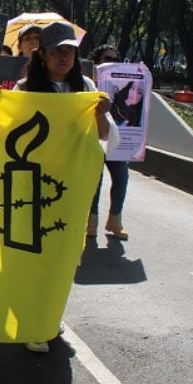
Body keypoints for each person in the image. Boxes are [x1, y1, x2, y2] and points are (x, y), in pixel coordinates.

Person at [13, 21, 117, 354]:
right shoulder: (25, 89)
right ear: (42, 54)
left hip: (70, 187)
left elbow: (105, 136)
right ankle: (32, 321)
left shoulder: (85, 87)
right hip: (32, 187)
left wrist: (100, 114)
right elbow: (5, 133)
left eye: (69, 51)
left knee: (64, 253)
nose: (64, 57)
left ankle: (50, 314)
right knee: (33, 254)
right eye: (57, 51)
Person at [88, 45, 130, 240]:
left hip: (117, 137)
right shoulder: (88, 82)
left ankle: (115, 220)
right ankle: (91, 222)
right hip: (96, 135)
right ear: (97, 61)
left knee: (121, 177)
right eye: (107, 59)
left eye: (115, 59)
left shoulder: (123, 82)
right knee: (95, 180)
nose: (111, 63)